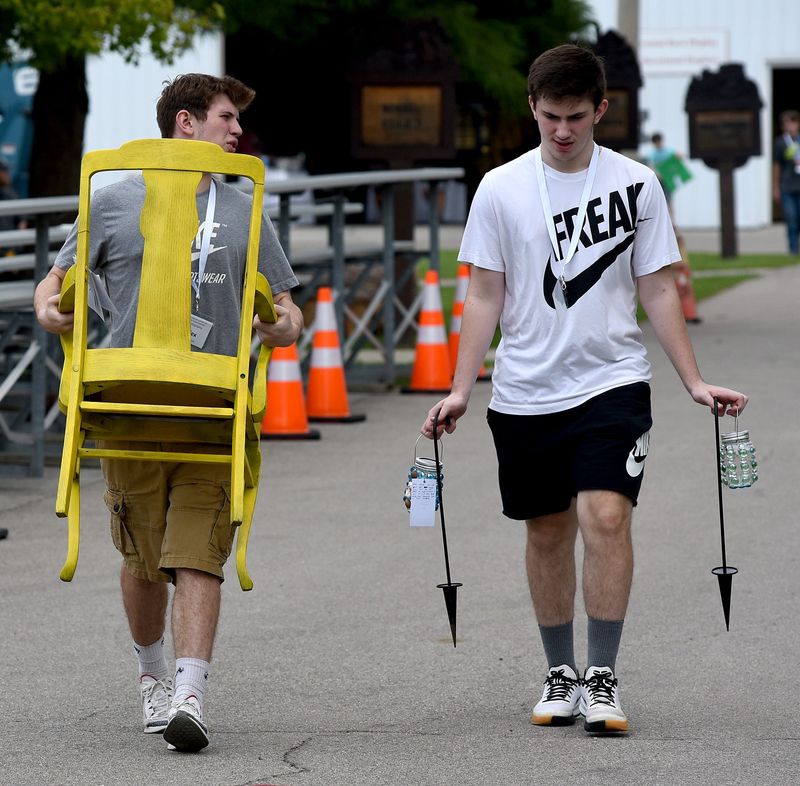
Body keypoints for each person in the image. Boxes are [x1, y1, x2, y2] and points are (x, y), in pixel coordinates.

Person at [421, 44, 747, 735]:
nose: (562, 131)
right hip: (526, 390)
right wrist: (459, 388)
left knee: (605, 516)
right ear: (532, 110)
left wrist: (691, 380)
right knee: (546, 531)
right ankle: (558, 673)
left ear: (601, 109)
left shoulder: (636, 183)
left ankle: (602, 676)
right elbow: (483, 294)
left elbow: (657, 285)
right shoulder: (501, 188)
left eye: (575, 117)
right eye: (549, 118)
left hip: (612, 382)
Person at [33, 73, 303, 752]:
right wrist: (47, 302)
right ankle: (153, 674)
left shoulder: (245, 207)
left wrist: (286, 323)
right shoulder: (114, 197)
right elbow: (56, 280)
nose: (237, 131)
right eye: (224, 117)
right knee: (144, 560)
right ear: (185, 123)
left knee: (198, 555)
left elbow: (289, 304)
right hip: (129, 406)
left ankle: (189, 693)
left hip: (211, 407)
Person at [772, 110, 800, 255]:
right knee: (791, 218)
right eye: (787, 123)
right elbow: (776, 166)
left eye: (793, 122)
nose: (791, 125)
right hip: (787, 186)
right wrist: (775, 187)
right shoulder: (781, 143)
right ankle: (793, 249)